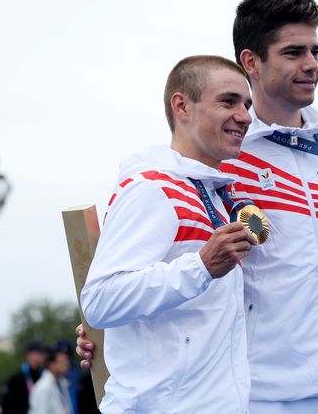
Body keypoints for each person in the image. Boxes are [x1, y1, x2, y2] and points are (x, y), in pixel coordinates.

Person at [78, 0, 318, 414]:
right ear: (251, 61)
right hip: (258, 394)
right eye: (293, 53)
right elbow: (152, 255)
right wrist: (98, 332)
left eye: (315, 51)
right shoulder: (220, 151)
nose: (311, 65)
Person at [79, 56, 256, 414]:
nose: (245, 116)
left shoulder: (219, 197)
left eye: (247, 104)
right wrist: (201, 267)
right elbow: (99, 301)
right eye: (228, 101)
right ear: (182, 106)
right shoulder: (152, 189)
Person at [1, 341, 47, 414]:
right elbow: (7, 405)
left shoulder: (45, 377)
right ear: (27, 356)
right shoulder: (16, 378)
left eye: (39, 354)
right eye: (34, 354)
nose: (36, 357)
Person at [29, 343, 73, 414]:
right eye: (62, 361)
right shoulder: (43, 388)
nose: (67, 363)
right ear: (51, 364)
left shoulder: (61, 383)